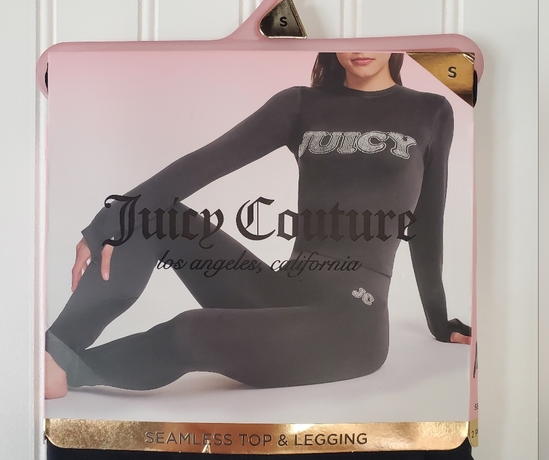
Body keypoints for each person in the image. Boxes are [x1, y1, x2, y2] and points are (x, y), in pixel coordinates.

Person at [45, 52, 471, 400]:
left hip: (350, 325)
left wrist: (439, 321)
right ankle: (53, 348)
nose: (361, 47)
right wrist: (107, 223)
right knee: (155, 216)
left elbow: (427, 222)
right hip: (285, 293)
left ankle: (71, 369)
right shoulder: (301, 104)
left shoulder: (429, 111)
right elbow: (206, 162)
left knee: (190, 332)